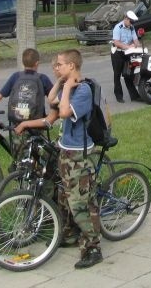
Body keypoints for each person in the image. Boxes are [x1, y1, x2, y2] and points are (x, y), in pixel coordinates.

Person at [49, 49, 103, 268]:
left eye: (60, 64)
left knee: (79, 203)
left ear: (72, 66)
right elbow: (51, 100)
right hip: (66, 151)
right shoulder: (66, 87)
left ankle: (93, 248)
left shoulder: (82, 91)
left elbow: (63, 113)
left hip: (79, 156)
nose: (56, 68)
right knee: (64, 196)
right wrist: (61, 82)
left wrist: (69, 86)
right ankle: (70, 234)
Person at [0, 48, 53, 120]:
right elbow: (54, 99)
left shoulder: (16, 76)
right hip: (36, 120)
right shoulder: (43, 78)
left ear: (23, 62)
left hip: (17, 118)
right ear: (37, 63)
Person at [110, 10, 142, 103]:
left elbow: (136, 40)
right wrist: (128, 46)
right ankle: (119, 96)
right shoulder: (118, 28)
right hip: (117, 53)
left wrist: (136, 44)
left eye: (132, 22)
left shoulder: (131, 28)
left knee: (128, 74)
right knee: (117, 75)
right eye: (130, 21)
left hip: (127, 53)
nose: (131, 24)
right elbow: (116, 42)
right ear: (126, 19)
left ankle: (134, 96)